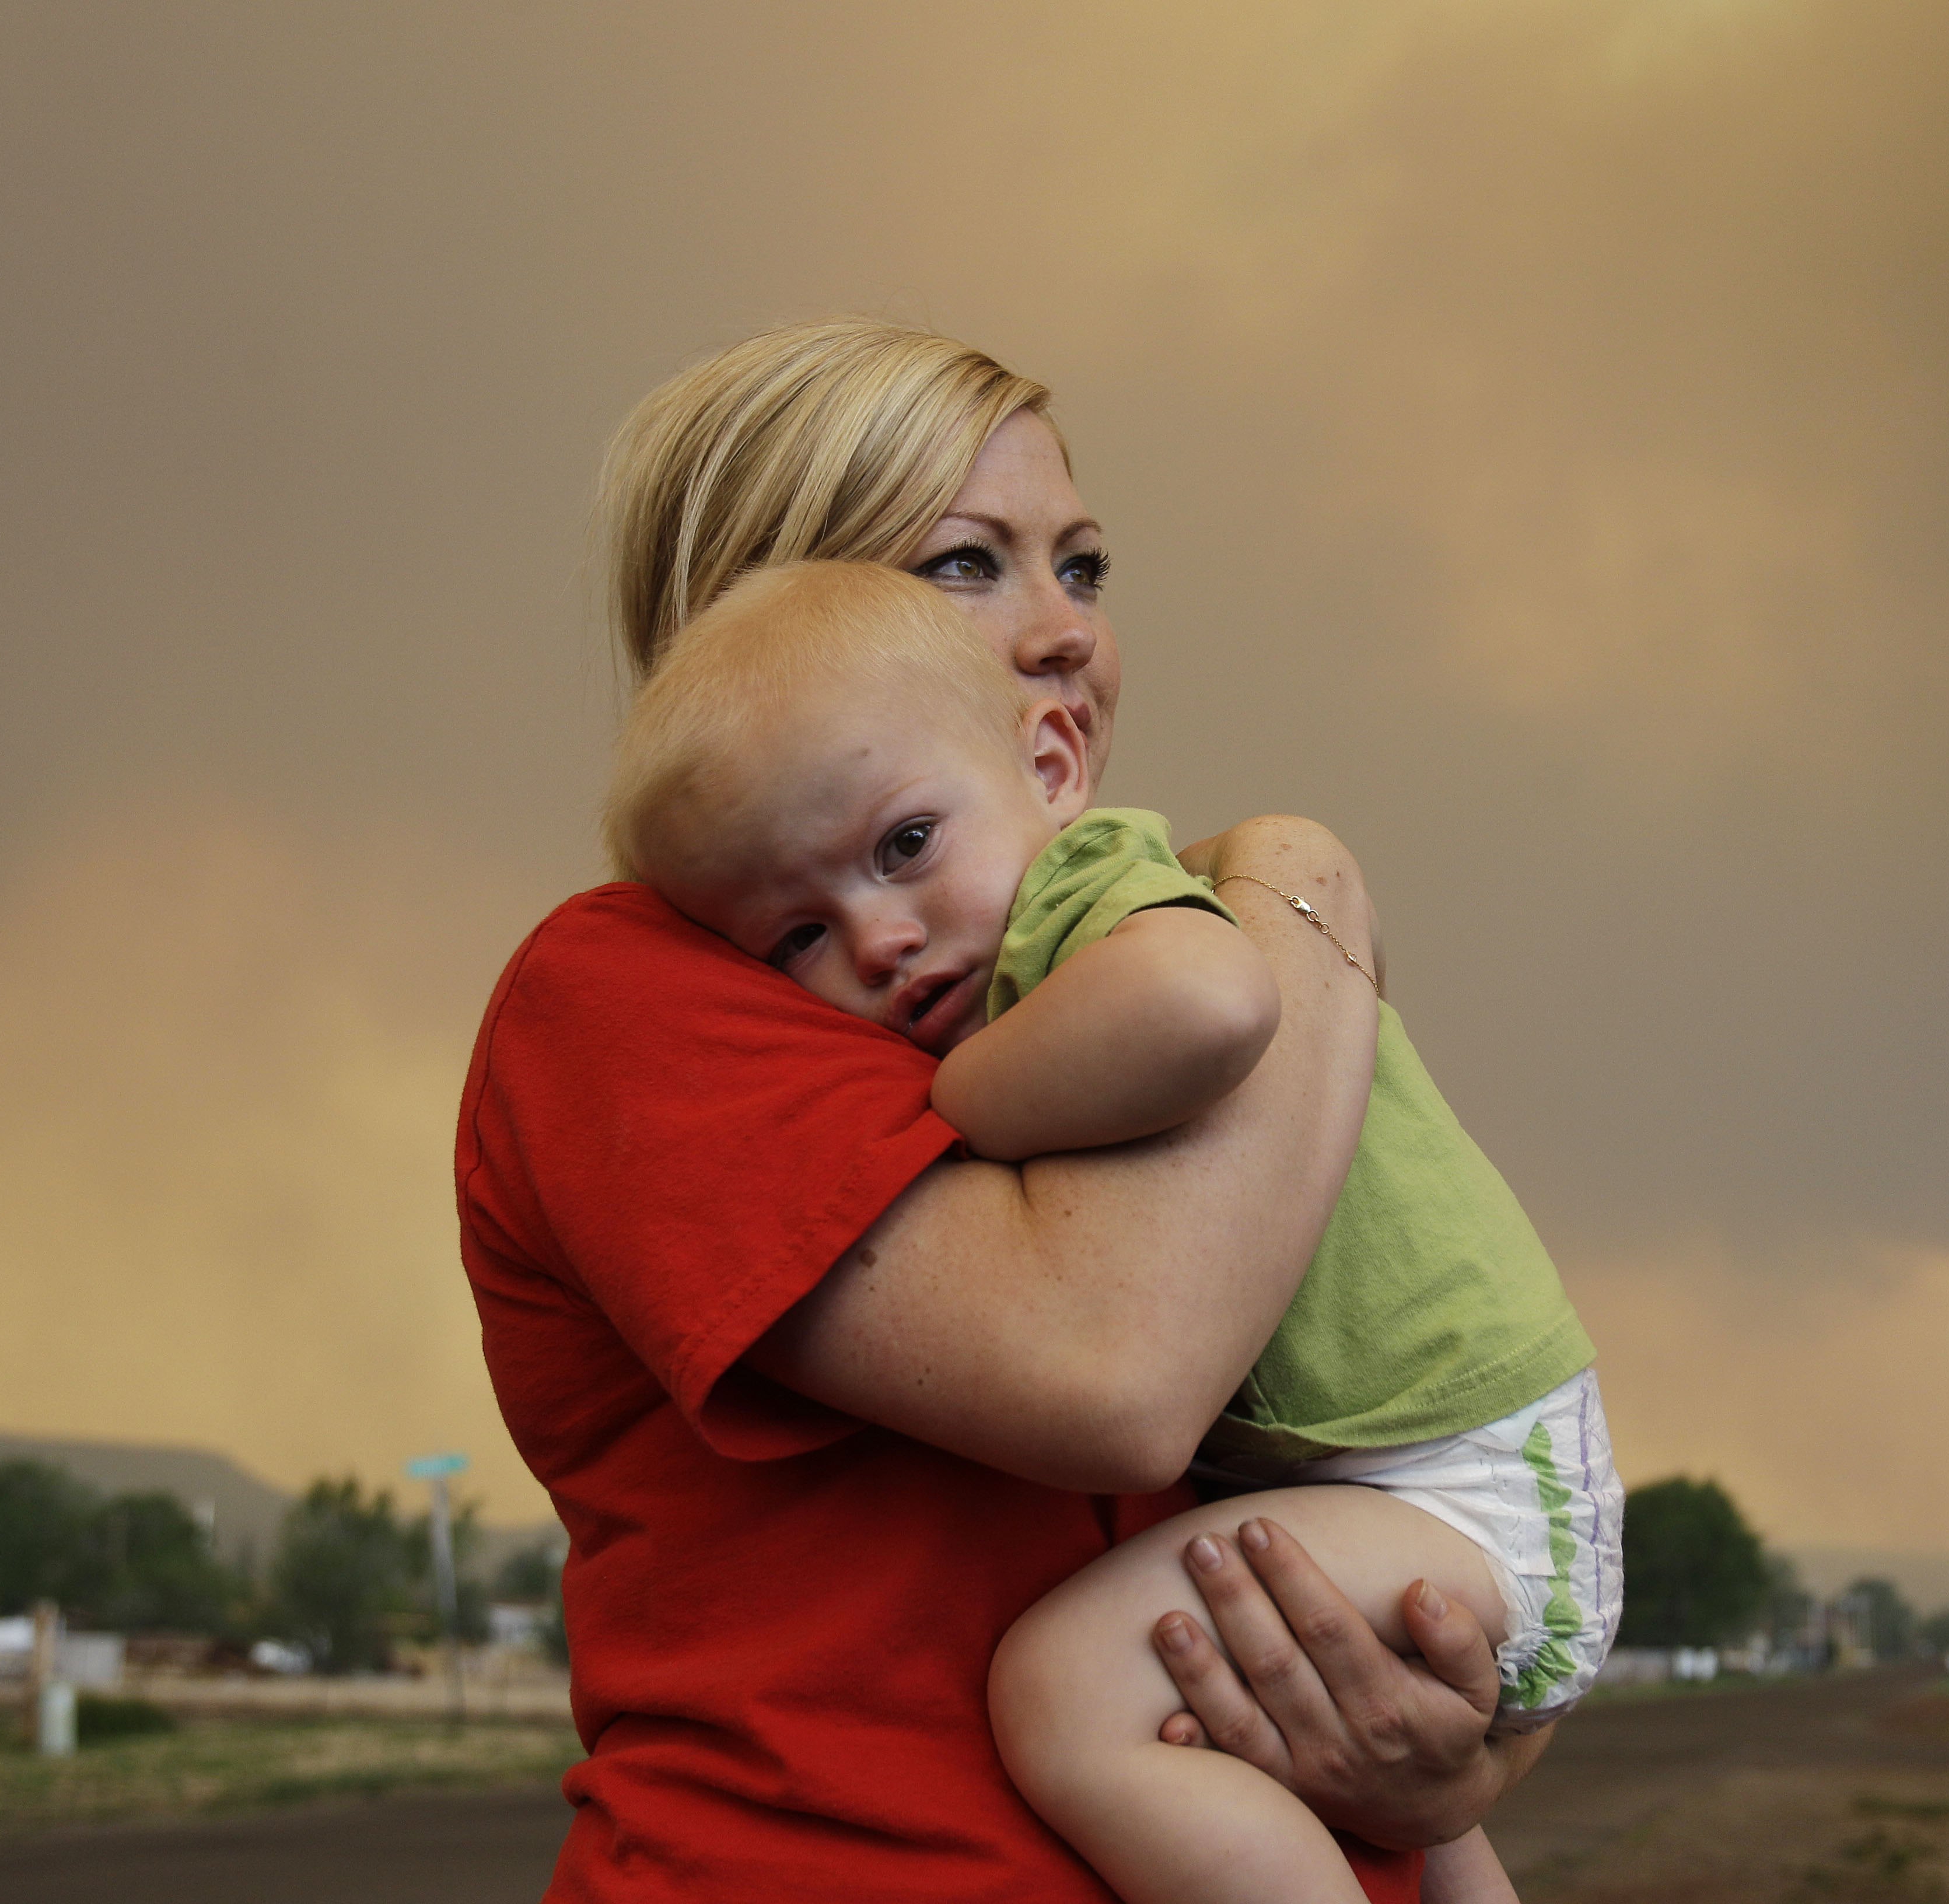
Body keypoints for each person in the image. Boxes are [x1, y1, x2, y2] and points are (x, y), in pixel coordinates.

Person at [456, 318, 1551, 1901]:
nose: (1060, 631)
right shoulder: (619, 997)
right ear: (769, 620)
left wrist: (1449, 1753)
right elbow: (1112, 1373)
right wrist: (1306, 882)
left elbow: (1374, 1488)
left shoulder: (1078, 976)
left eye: (1085, 567)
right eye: (967, 567)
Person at [597, 559, 1623, 1904]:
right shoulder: (646, 998)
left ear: (1052, 765)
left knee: (1067, 1694)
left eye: (907, 848)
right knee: (1387, 1812)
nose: (882, 938)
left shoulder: (1090, 896)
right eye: (798, 937)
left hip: (1464, 1488)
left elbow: (1207, 1005)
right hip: (1426, 1472)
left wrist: (967, 1099)